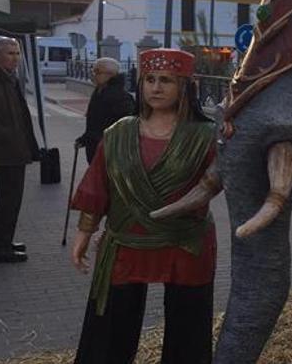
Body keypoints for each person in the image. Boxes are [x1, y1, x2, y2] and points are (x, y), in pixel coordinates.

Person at [70, 48, 219, 363]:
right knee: (111, 323)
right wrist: (85, 231)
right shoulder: (118, 133)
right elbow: (99, 184)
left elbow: (228, 180)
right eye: (149, 79)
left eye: (166, 80)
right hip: (125, 238)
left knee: (188, 327)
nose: (156, 87)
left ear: (184, 86)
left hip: (184, 240)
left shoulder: (205, 137)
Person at [0, 37, 39, 263]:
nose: (15, 58)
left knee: (12, 201)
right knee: (8, 202)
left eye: (17, 53)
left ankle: (1, 240)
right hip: (3, 152)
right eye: (10, 53)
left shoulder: (8, 79)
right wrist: (8, 135)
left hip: (14, 151)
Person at [75, 58, 135, 163]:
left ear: (110, 74)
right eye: (93, 71)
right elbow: (95, 123)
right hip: (95, 148)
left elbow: (126, 128)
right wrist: (85, 139)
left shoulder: (121, 97)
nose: (93, 74)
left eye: (97, 72)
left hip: (109, 153)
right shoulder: (99, 91)